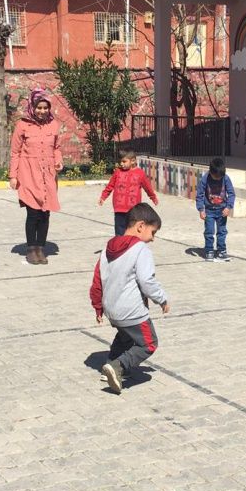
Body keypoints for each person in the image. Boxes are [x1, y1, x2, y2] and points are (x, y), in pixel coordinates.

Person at [89, 203, 170, 395]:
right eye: (153, 232)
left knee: (126, 335)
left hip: (112, 310)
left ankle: (109, 365)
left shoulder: (107, 248)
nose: (152, 239)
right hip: (132, 310)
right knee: (149, 343)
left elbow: (97, 279)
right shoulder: (141, 250)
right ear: (140, 226)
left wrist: (98, 307)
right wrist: (162, 299)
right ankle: (118, 367)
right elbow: (146, 280)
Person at [9, 89, 62, 265]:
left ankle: (41, 248)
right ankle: (31, 249)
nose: (42, 111)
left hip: (48, 175)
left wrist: (59, 161)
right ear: (33, 107)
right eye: (39, 107)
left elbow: (57, 148)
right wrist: (13, 176)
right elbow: (15, 152)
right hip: (28, 173)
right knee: (33, 214)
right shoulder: (22, 125)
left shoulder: (54, 125)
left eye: (45, 108)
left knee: (45, 213)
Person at [98, 149, 158, 236]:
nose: (121, 164)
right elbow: (110, 186)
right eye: (120, 162)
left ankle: (131, 248)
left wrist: (153, 197)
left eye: (124, 161)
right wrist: (103, 197)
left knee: (132, 233)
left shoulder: (140, 173)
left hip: (133, 211)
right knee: (119, 233)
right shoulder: (117, 172)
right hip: (119, 209)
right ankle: (120, 249)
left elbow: (147, 187)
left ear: (133, 161)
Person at [195, 157, 236, 262]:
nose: (218, 179)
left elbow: (231, 194)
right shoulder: (205, 179)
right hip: (209, 210)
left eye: (220, 177)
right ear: (210, 171)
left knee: (222, 231)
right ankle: (209, 250)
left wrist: (228, 207)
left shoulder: (226, 178)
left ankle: (221, 251)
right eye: (216, 177)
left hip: (222, 211)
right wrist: (201, 209)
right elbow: (199, 195)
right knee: (209, 231)